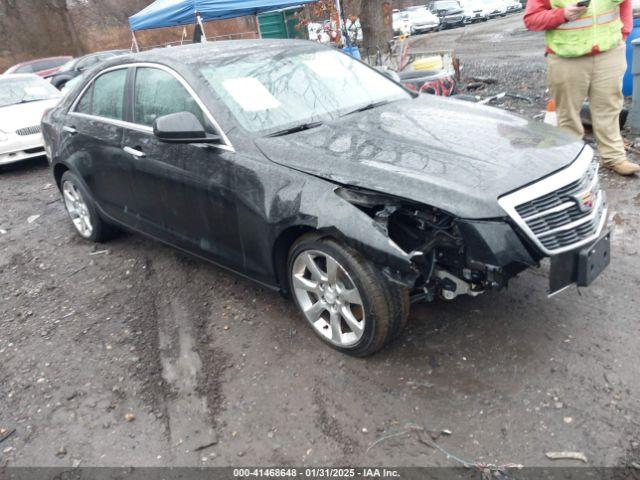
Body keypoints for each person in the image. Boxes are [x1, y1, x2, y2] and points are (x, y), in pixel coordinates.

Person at [524, 0, 640, 176]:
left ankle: (614, 158)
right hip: (566, 56)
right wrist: (562, 15)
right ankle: (571, 161)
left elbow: (624, 3)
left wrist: (623, 34)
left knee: (609, 108)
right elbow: (531, 20)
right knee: (568, 114)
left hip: (609, 52)